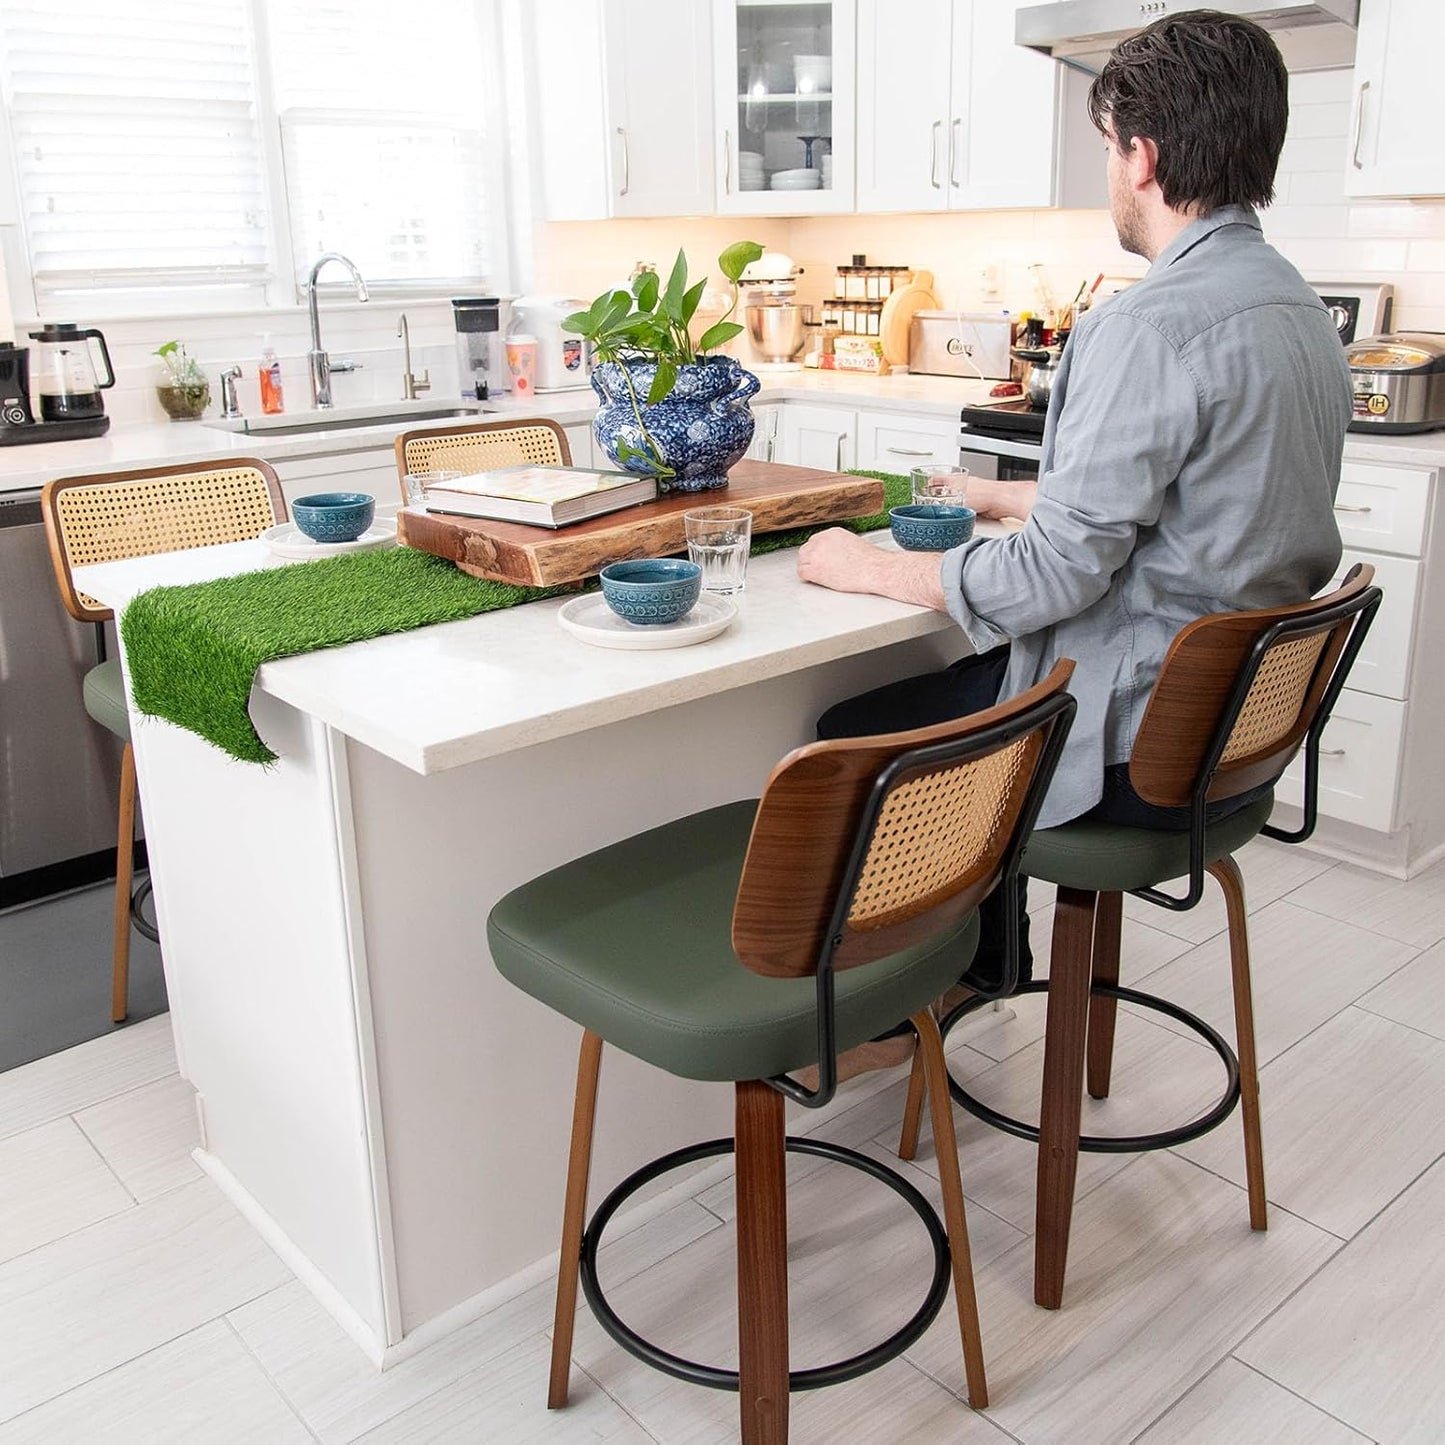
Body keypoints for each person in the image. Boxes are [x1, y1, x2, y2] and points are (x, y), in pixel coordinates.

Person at [797, 8, 1351, 1015]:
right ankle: (984, 965)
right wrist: (998, 493)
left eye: (1106, 149)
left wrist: (862, 566)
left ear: (1140, 156)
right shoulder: (1298, 309)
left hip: (1137, 738)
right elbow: (1197, 506)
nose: (1108, 173)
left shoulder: (1142, 324)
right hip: (1232, 732)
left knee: (845, 732)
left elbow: (1053, 574)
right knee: (966, 688)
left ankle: (914, 1001)